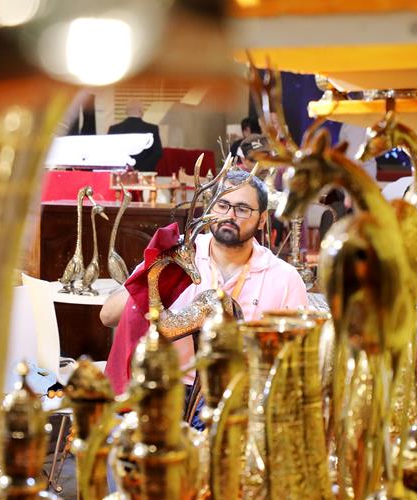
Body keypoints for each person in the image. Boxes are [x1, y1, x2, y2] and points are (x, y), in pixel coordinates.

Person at [101, 169, 308, 396]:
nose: (229, 215)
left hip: (242, 396)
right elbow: (108, 316)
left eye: (242, 209)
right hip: (169, 388)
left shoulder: (284, 278)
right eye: (222, 205)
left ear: (262, 219)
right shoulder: (179, 253)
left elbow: (299, 359)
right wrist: (158, 278)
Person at [107, 99, 163, 172]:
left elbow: (110, 153)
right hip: (145, 174)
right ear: (141, 111)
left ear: (126, 111)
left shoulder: (114, 129)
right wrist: (143, 169)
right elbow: (157, 153)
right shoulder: (152, 129)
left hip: (121, 173)